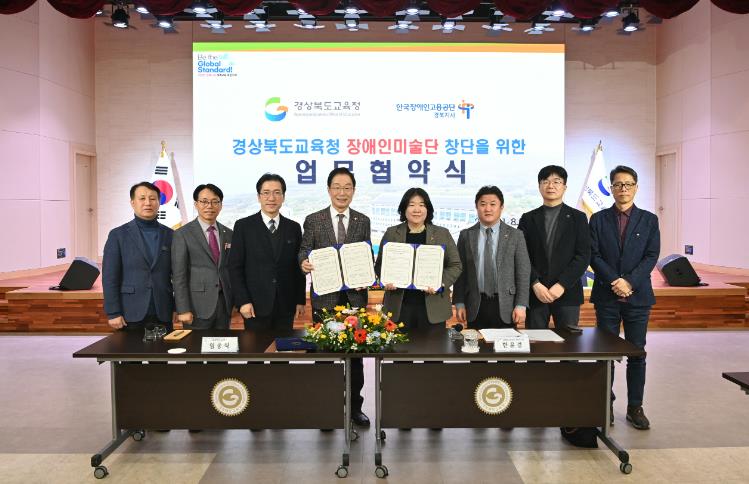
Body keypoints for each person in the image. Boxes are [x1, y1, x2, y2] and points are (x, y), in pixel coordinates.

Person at [298, 167, 371, 427]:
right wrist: (304, 263)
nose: (342, 192)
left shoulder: (362, 220)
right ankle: (326, 409)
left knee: (356, 358)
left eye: (347, 187)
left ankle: (355, 408)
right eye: (337, 187)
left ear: (353, 190)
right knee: (324, 356)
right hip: (325, 298)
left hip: (354, 299)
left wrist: (366, 273)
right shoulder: (314, 219)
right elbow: (304, 250)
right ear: (329, 190)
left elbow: (366, 255)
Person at [590, 165, 660, 430]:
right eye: (618, 184)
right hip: (606, 296)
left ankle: (635, 407)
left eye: (628, 184)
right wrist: (615, 281)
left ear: (636, 187)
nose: (623, 189)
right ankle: (604, 404)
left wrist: (629, 281)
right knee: (605, 353)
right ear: (611, 188)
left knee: (637, 353)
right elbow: (594, 255)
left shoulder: (649, 220)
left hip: (638, 296)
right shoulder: (598, 219)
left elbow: (651, 256)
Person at [374, 188, 462, 331]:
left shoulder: (442, 234)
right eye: (411, 205)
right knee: (398, 345)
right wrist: (386, 280)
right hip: (399, 306)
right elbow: (380, 265)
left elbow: (455, 265)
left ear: (428, 209)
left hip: (433, 307)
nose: (417, 209)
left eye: (422, 205)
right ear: (404, 208)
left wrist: (440, 283)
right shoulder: (392, 233)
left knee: (433, 345)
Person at [518, 165, 591, 330]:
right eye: (545, 181)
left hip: (567, 292)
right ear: (539, 186)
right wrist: (535, 283)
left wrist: (562, 284)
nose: (550, 186)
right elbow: (521, 255)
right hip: (536, 293)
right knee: (536, 343)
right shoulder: (528, 218)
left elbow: (583, 255)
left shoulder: (578, 218)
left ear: (565, 187)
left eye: (556, 182)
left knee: (569, 343)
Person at [229, 174, 305, 330]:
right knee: (256, 346)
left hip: (286, 305)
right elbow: (235, 267)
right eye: (266, 193)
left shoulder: (294, 227)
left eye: (277, 192)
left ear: (283, 197)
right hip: (254, 306)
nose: (271, 198)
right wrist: (243, 301)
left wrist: (300, 300)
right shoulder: (243, 226)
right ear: (259, 197)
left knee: (284, 345)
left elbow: (298, 267)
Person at [453, 186, 530, 329]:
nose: (487, 209)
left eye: (493, 204)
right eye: (483, 204)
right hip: (475, 304)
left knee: (504, 343)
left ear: (501, 207)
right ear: (476, 207)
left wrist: (521, 305)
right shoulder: (466, 235)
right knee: (476, 342)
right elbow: (460, 272)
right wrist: (459, 302)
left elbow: (523, 272)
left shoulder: (516, 235)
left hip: (506, 305)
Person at [103, 181, 174, 332]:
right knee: (130, 348)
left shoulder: (170, 235)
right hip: (130, 311)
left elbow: (177, 275)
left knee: (163, 348)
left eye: (152, 198)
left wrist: (177, 308)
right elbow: (110, 278)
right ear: (132, 202)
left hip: (163, 310)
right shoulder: (118, 235)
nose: (148, 203)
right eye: (142, 198)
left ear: (159, 203)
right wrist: (113, 312)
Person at [172, 184, 233, 330]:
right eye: (204, 201)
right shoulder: (182, 234)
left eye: (215, 201)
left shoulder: (229, 233)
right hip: (195, 307)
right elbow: (179, 275)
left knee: (223, 343)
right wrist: (183, 309)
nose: (209, 206)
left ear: (220, 205)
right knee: (195, 344)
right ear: (196, 204)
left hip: (224, 305)